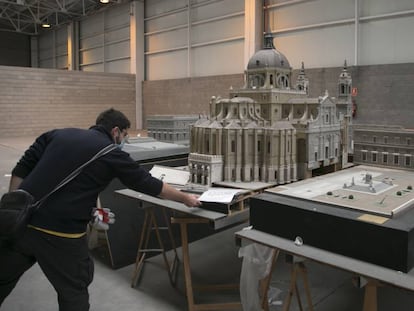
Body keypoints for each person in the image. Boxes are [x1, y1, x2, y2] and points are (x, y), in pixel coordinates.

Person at [0, 108, 201, 311]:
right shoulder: (111, 153)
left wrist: (15, 209)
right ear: (115, 131)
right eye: (124, 136)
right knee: (74, 293)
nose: (124, 142)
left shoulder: (57, 134)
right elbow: (148, 183)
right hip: (60, 236)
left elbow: (23, 168)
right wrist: (185, 198)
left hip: (19, 226)